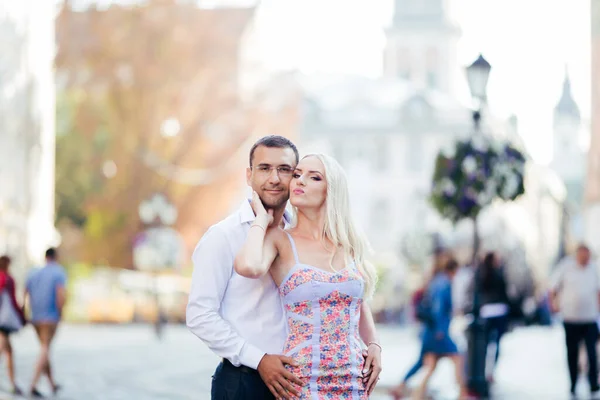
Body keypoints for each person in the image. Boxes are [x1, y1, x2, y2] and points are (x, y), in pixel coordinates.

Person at [234, 153, 382, 398]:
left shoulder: (348, 243)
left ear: (331, 191)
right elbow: (248, 266)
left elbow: (359, 303)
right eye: (297, 174)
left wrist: (374, 344)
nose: (300, 181)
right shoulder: (280, 239)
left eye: (314, 177)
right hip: (303, 379)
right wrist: (261, 220)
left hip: (354, 378)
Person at [186, 135, 304, 400]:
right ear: (249, 176)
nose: (274, 178)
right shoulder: (222, 236)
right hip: (244, 383)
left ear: (295, 178)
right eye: (264, 168)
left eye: (284, 170)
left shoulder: (300, 235)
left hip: (298, 382)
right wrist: (259, 359)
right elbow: (200, 315)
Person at [389, 250, 451, 399]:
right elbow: (438, 309)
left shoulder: (432, 280)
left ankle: (409, 390)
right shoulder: (441, 282)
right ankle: (463, 391)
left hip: (429, 329)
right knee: (454, 356)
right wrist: (440, 329)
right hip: (434, 331)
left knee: (427, 363)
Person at [550, 244, 600, 396]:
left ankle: (593, 383)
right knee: (572, 352)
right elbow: (553, 287)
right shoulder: (566, 266)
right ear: (578, 254)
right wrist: (554, 304)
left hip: (590, 318)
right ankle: (573, 383)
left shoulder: (594, 268)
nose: (586, 259)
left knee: (592, 353)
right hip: (571, 318)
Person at [414, 258, 467, 399]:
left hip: (434, 331)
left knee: (431, 366)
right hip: (439, 332)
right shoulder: (445, 283)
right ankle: (462, 394)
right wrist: (440, 330)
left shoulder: (437, 281)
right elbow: (439, 308)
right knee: (457, 357)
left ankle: (417, 395)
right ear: (454, 270)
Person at [24, 248, 66, 398]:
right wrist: (61, 313)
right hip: (50, 317)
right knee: (45, 348)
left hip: (36, 317)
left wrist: (25, 311)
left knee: (45, 348)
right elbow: (60, 294)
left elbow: (25, 292)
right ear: (55, 257)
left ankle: (52, 383)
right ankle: (33, 385)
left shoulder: (33, 272)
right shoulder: (58, 272)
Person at [475, 251, 511, 383]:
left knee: (486, 344)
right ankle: (490, 372)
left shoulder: (482, 273)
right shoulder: (497, 273)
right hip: (498, 311)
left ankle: (485, 371)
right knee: (495, 344)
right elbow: (505, 292)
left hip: (487, 311)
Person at [0, 256, 26, 395]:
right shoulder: (8, 279)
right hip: (4, 320)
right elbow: (13, 301)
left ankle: (12, 383)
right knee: (3, 348)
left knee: (9, 351)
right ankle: (12, 383)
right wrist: (21, 316)